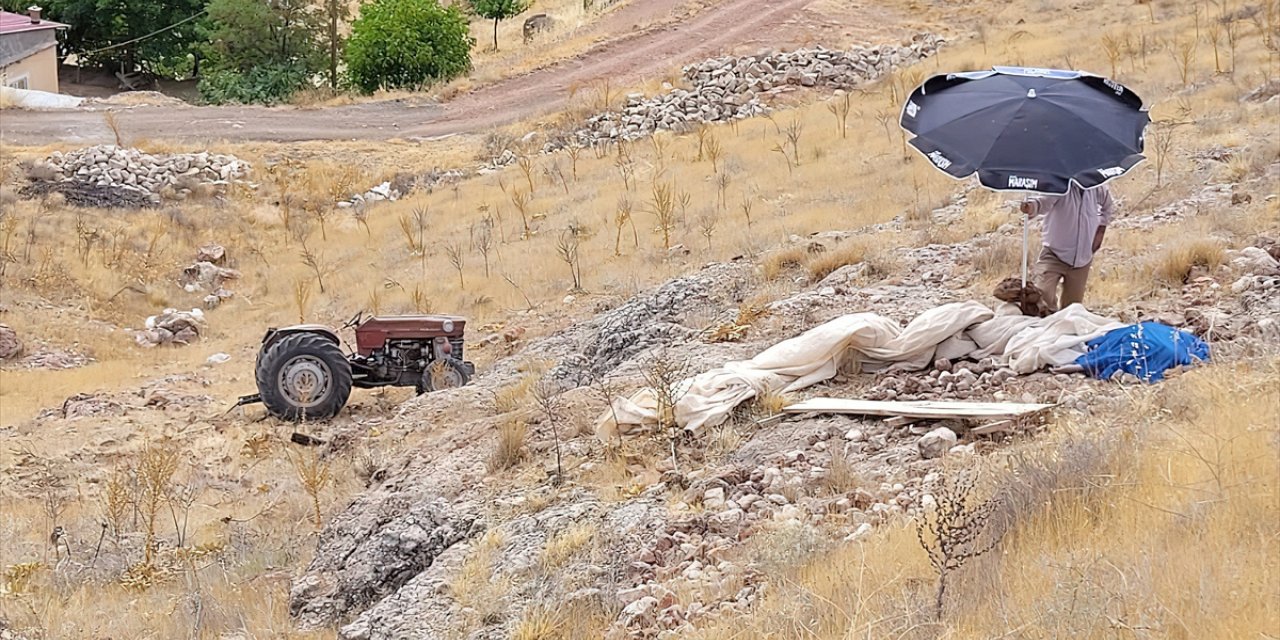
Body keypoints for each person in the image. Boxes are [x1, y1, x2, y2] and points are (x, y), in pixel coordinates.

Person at [1019, 182, 1116, 311]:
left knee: (1072, 309)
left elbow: (1108, 206)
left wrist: (1101, 229)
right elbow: (1043, 202)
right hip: (1054, 254)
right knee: (1043, 297)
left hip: (1082, 259)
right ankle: (1047, 326)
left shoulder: (1096, 186)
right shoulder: (1060, 185)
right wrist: (1031, 206)